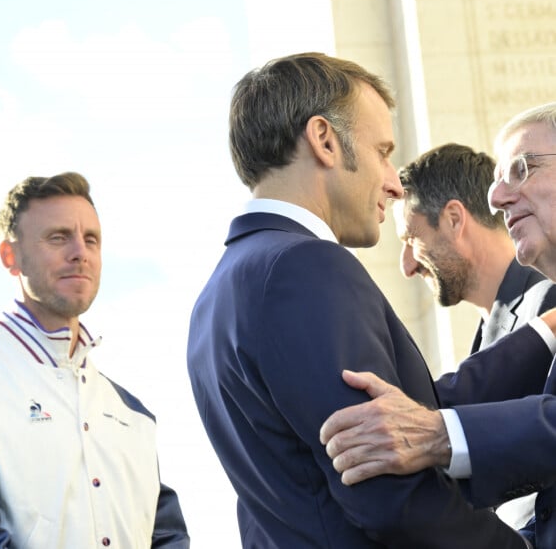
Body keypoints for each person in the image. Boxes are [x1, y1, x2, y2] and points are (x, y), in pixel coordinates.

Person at [186, 52, 552, 548]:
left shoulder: (218, 295)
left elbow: (410, 417)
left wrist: (543, 334)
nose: (394, 183)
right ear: (324, 140)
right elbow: (388, 491)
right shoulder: (304, 267)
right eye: (383, 151)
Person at [320, 102, 556, 548]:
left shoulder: (547, 308)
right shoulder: (490, 331)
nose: (496, 197)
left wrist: (437, 434)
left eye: (521, 169)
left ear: (452, 218)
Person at [0, 172, 189, 548]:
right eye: (58, 237)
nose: (80, 251)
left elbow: (168, 536)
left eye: (91, 239)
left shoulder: (134, 415)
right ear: (11, 256)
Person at [395, 143, 556, 526]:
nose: (406, 265)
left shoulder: (548, 300)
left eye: (410, 238)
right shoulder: (488, 330)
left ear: (453, 219)